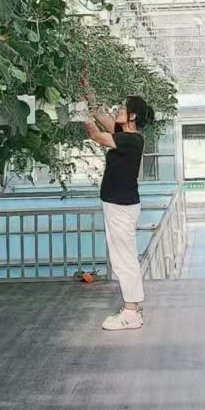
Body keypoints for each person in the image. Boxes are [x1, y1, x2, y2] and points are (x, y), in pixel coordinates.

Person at [81, 90, 155, 331]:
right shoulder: (125, 135)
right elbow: (101, 116)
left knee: (124, 260)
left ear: (132, 116)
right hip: (118, 204)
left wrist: (79, 114)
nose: (118, 111)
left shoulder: (131, 140)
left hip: (121, 207)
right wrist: (88, 94)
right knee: (122, 258)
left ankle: (131, 313)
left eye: (122, 108)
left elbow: (96, 134)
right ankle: (131, 310)